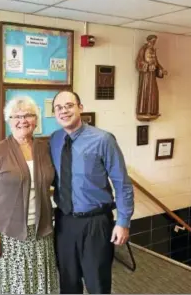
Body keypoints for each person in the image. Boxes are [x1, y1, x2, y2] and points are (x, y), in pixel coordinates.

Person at [50, 91, 134, 294]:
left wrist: (123, 222)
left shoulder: (103, 139)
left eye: (69, 105)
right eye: (58, 108)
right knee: (68, 283)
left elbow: (122, 183)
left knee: (97, 284)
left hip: (96, 223)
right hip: (64, 222)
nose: (64, 111)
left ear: (80, 107)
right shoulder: (54, 140)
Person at [0, 96, 58, 294]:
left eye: (28, 115)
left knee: (37, 284)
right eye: (17, 116)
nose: (23, 120)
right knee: (10, 286)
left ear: (36, 120)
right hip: (7, 234)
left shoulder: (45, 149)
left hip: (40, 231)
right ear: (9, 120)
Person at [135, 34, 168, 121]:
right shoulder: (144, 49)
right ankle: (143, 111)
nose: (153, 43)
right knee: (146, 91)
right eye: (152, 41)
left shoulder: (153, 50)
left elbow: (156, 63)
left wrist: (161, 70)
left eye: (155, 41)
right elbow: (139, 61)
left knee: (153, 92)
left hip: (152, 75)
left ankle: (152, 110)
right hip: (146, 75)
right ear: (148, 41)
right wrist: (147, 66)